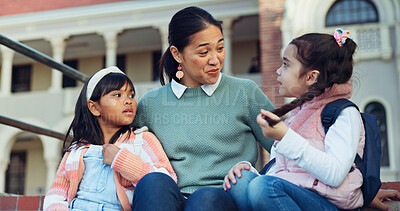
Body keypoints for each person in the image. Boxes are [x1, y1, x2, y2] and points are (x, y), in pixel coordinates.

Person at [132, 6, 275, 211]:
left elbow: (285, 149)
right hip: (172, 198)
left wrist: (253, 172)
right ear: (177, 54)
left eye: (220, 48)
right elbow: (120, 145)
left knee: (205, 198)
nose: (215, 60)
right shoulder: (151, 104)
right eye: (203, 52)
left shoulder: (245, 92)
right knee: (152, 182)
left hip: (224, 197)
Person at [223, 29, 372, 210]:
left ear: (311, 77)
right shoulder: (297, 115)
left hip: (328, 204)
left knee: (263, 187)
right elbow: (282, 170)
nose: (278, 71)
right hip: (295, 196)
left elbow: (335, 174)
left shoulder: (342, 113)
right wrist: (249, 170)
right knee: (240, 181)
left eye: (286, 65)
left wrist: (285, 137)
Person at [43, 66, 176, 211]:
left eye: (131, 95)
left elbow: (166, 182)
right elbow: (57, 191)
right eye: (117, 95)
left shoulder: (142, 140)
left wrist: (123, 161)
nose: (128, 101)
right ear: (94, 108)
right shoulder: (78, 149)